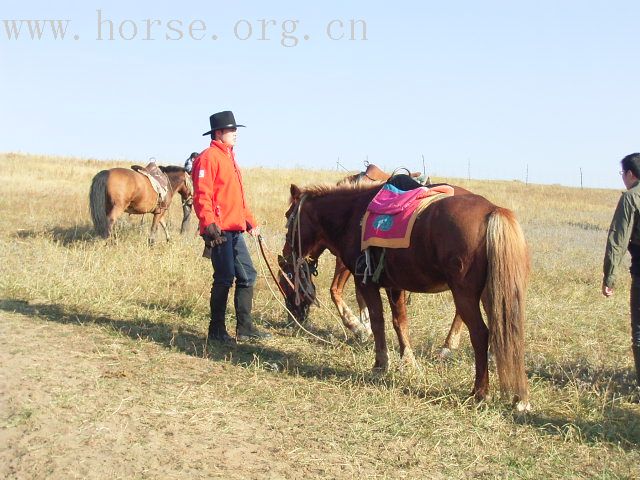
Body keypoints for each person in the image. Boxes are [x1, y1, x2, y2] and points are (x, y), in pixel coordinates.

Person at [192, 111, 272, 343]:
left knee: (247, 275)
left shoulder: (229, 158)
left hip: (235, 229)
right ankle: (216, 330)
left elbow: (237, 198)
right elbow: (202, 195)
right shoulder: (208, 158)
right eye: (231, 130)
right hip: (219, 231)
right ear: (219, 133)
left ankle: (245, 328)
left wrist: (251, 222)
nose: (235, 134)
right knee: (225, 277)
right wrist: (209, 225)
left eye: (236, 130)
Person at [602, 152, 640, 386]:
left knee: (639, 332)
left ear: (629, 174)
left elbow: (618, 239)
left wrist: (609, 277)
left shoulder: (631, 198)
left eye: (622, 174)